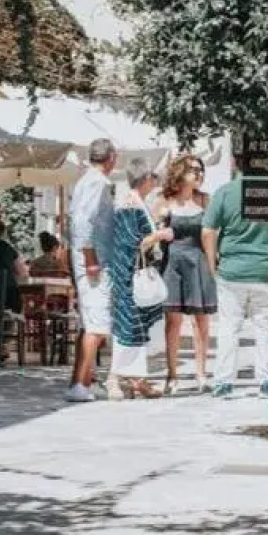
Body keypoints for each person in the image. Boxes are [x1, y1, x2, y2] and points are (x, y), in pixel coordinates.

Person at [203, 165, 268, 397]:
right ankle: (266, 381)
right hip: (262, 269)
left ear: (235, 161)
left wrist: (212, 263)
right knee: (262, 327)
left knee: (229, 327)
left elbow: (208, 231)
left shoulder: (225, 191)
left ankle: (224, 382)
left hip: (231, 270)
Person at [107, 159, 175, 399]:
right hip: (128, 275)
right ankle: (114, 378)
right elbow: (132, 242)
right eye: (154, 178)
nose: (155, 183)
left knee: (138, 327)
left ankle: (138, 379)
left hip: (132, 273)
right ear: (146, 179)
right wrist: (160, 234)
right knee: (128, 327)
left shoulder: (138, 203)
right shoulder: (129, 205)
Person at [153, 154, 218, 394]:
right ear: (180, 173)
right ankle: (172, 375)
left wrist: (212, 268)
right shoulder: (164, 202)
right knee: (173, 321)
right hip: (173, 262)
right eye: (194, 170)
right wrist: (161, 232)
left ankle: (201, 373)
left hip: (198, 261)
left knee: (201, 320)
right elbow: (153, 233)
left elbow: (211, 236)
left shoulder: (205, 201)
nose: (199, 174)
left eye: (201, 170)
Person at [65, 139, 118, 403]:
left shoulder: (87, 181)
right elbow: (83, 222)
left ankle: (83, 380)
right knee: (97, 325)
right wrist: (90, 258)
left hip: (90, 257)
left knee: (90, 325)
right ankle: (79, 384)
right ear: (111, 158)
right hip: (94, 260)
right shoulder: (96, 183)